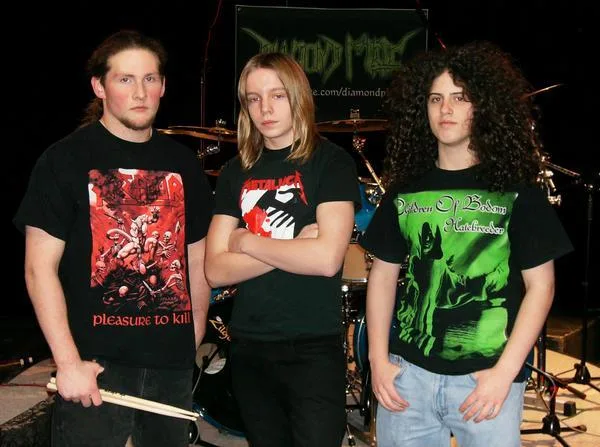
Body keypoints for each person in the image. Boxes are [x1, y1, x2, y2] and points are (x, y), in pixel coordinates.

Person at [359, 41, 573, 447]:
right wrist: (377, 360)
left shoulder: (516, 189)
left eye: (460, 98)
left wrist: (505, 373)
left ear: (483, 106)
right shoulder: (405, 189)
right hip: (408, 378)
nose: (446, 109)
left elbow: (542, 287)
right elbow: (383, 277)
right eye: (435, 98)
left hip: (486, 381)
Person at [13, 30, 214, 446]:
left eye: (149, 79)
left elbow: (197, 259)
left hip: (170, 366)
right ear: (99, 86)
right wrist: (68, 363)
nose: (140, 92)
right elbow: (38, 269)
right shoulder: (64, 160)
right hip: (94, 365)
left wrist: (191, 337)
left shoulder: (183, 164)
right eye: (125, 79)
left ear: (163, 86)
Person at [204, 52, 361, 447]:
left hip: (313, 346)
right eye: (254, 99)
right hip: (249, 345)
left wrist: (247, 242)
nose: (265, 109)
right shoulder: (234, 171)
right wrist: (294, 247)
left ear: (298, 96)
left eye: (277, 96)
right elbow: (215, 270)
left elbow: (326, 260)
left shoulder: (331, 162)